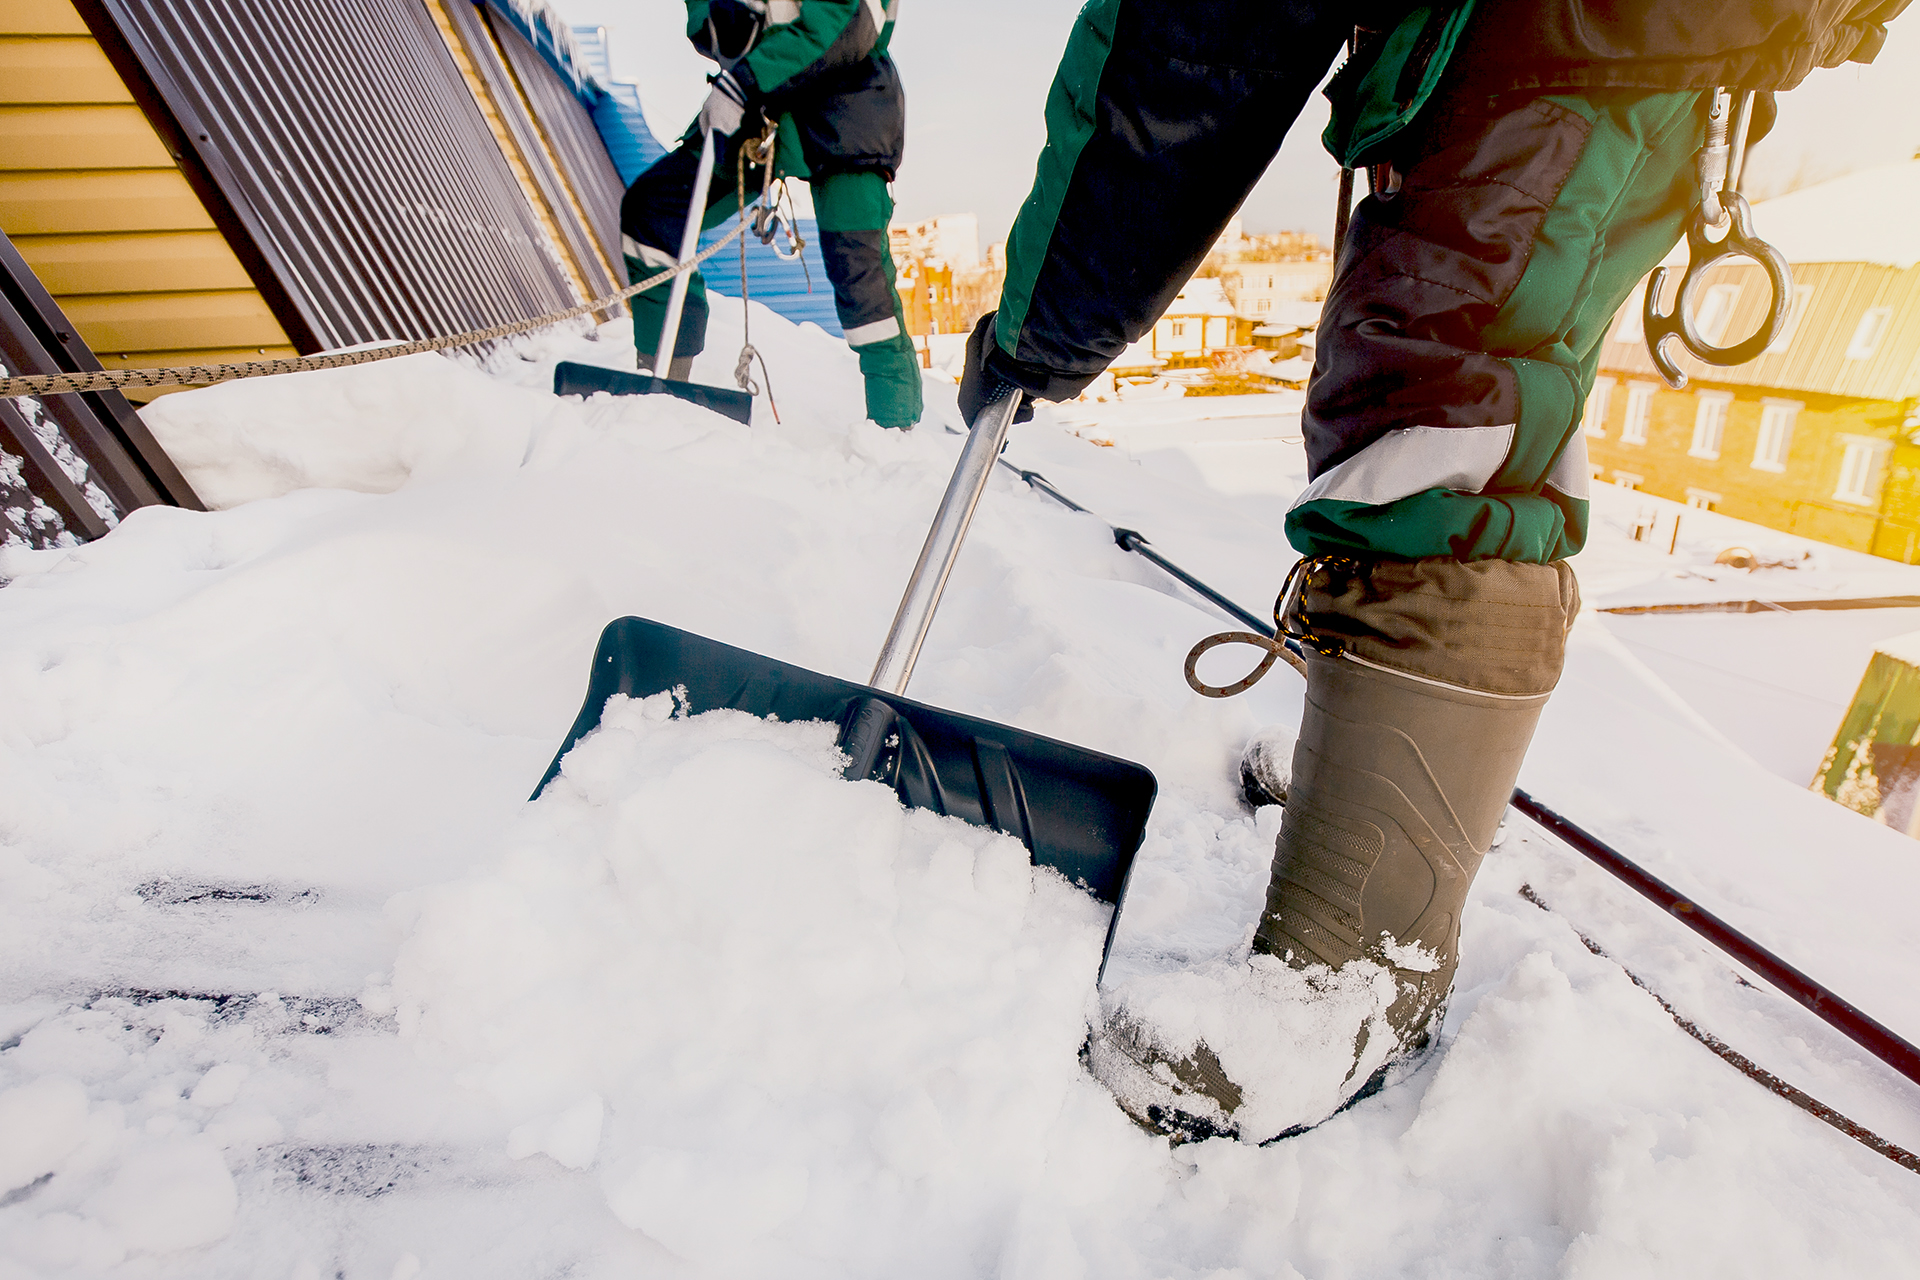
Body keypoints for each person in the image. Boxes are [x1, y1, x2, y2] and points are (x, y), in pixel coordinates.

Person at [960, 0, 1907, 1142]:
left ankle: (1360, 976)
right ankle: (1380, 802)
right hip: (1573, 39)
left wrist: (1042, 329)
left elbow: (1178, 58)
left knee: (1447, 419)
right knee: (1450, 390)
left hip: (1563, 40)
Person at [621, 1, 922, 429]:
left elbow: (848, 22)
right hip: (764, 109)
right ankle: (664, 389)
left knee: (860, 277)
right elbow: (712, 32)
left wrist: (745, 81)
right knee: (653, 213)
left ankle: (896, 428)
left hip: (845, 106)